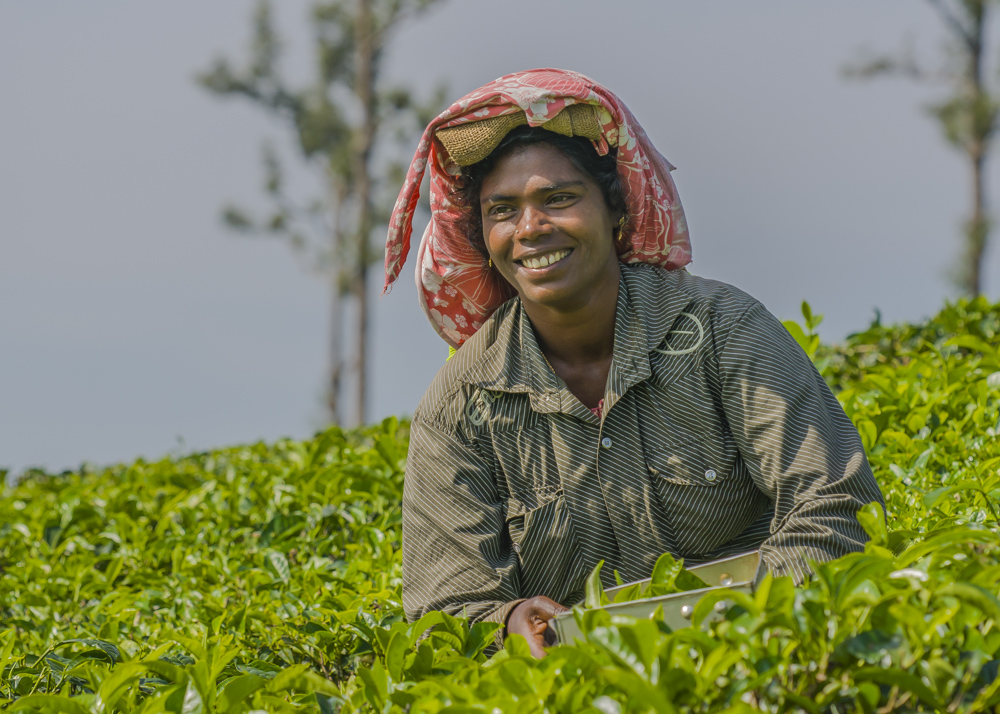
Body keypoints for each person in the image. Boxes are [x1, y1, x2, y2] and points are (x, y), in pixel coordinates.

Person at [383, 69, 885, 658]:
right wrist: (506, 622)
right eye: (503, 210)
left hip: (764, 659)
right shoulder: (458, 410)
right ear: (483, 241)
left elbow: (838, 510)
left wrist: (740, 624)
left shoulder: (722, 331)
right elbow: (446, 613)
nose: (531, 229)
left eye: (559, 199)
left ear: (615, 212)